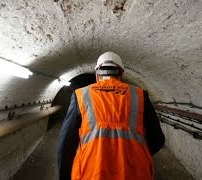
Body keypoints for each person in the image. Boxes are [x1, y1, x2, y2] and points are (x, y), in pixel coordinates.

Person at [57, 52, 165, 180]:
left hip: (92, 173)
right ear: (121, 74)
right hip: (135, 173)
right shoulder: (140, 96)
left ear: (97, 75)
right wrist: (136, 153)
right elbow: (157, 139)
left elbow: (66, 145)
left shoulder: (81, 96)